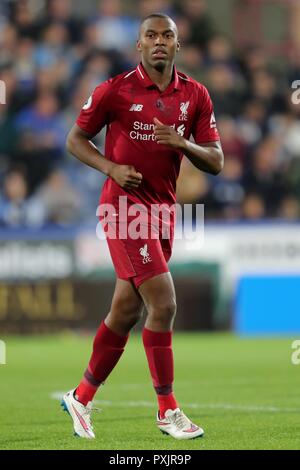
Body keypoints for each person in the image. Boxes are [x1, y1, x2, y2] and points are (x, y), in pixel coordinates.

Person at [62, 13, 224, 440]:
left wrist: (183, 143)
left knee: (126, 311)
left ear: (177, 45)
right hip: (124, 209)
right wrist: (110, 167)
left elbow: (217, 161)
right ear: (139, 45)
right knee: (164, 303)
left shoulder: (195, 94)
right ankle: (167, 411)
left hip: (163, 212)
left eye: (166, 36)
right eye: (150, 35)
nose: (158, 42)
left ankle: (80, 397)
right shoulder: (115, 90)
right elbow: (75, 140)